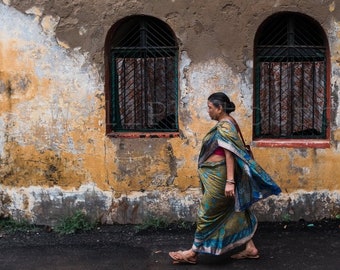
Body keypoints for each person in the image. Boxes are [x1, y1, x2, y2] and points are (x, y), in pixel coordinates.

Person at [169, 92, 281, 264]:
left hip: (221, 178)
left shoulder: (225, 126)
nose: (208, 111)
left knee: (206, 214)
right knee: (235, 210)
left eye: (210, 108)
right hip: (217, 175)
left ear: (220, 108)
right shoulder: (227, 123)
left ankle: (193, 252)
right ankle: (250, 248)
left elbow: (229, 154)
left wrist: (230, 181)